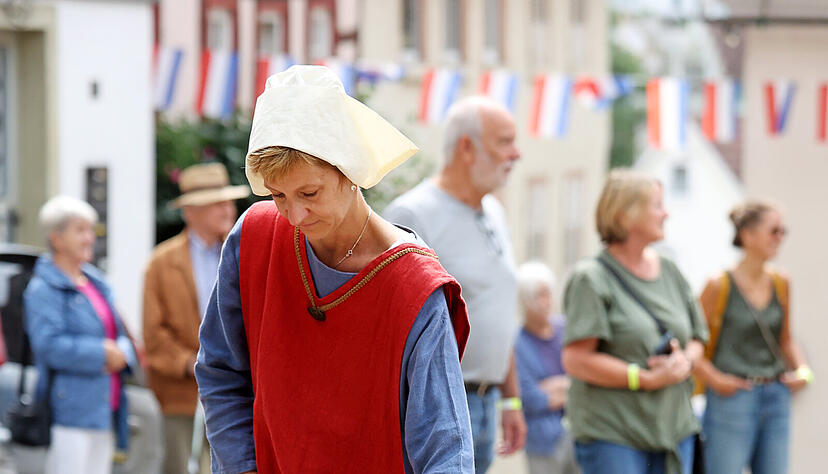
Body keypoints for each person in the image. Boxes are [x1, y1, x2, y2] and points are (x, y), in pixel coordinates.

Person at [195, 65, 473, 473]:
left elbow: (445, 449)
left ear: (350, 171)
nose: (294, 214)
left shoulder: (414, 287)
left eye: (309, 192)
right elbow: (221, 374)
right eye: (278, 195)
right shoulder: (254, 237)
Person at [384, 95, 526, 473]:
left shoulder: (494, 210)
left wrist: (511, 399)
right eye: (505, 142)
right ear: (467, 147)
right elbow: (394, 325)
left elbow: (496, 307)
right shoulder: (413, 213)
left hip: (486, 400)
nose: (516, 154)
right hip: (439, 406)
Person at [561, 170, 708, 474]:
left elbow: (697, 339)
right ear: (626, 215)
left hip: (675, 431)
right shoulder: (591, 279)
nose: (665, 213)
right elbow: (576, 359)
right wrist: (643, 378)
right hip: (614, 435)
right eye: (656, 205)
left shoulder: (669, 270)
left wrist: (683, 363)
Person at [142, 162, 249, 474]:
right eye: (216, 203)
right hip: (180, 395)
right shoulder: (161, 263)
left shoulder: (242, 254)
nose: (228, 209)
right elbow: (153, 334)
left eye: (228, 201)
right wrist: (195, 365)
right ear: (191, 212)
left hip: (236, 393)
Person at [694, 200, 813, 474]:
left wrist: (803, 371)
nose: (780, 237)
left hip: (775, 395)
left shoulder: (781, 282)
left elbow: (785, 339)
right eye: (774, 231)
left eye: (783, 231)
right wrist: (716, 380)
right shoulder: (718, 285)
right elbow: (692, 346)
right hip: (732, 397)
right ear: (748, 235)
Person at [24, 196, 138, 474]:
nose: (89, 238)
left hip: (107, 408)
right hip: (70, 412)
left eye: (91, 230)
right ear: (57, 238)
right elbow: (48, 346)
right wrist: (102, 353)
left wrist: (123, 352)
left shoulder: (97, 284)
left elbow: (120, 333)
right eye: (80, 230)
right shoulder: (44, 289)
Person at [514, 261, 579, 474]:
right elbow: (531, 397)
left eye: (547, 294)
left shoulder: (566, 329)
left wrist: (553, 387)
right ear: (524, 301)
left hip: (579, 434)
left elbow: (585, 379)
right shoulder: (517, 343)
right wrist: (570, 386)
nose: (544, 302)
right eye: (537, 296)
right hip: (543, 442)